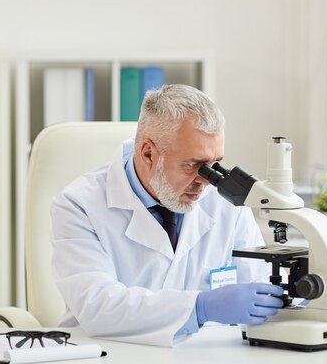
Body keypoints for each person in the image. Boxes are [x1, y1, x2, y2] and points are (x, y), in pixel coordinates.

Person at [50, 84, 283, 347]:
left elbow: (259, 281)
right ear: (148, 153)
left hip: (202, 353)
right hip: (109, 352)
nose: (205, 181)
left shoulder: (225, 201)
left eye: (214, 164)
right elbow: (98, 307)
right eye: (193, 165)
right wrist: (200, 308)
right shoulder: (79, 204)